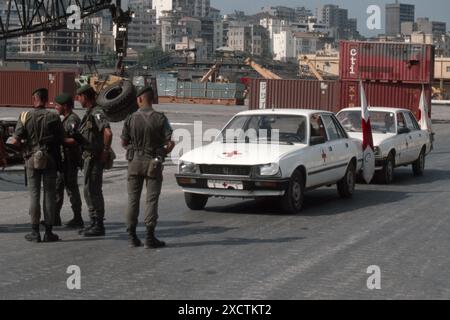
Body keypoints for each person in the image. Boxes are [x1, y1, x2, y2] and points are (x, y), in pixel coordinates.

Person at [121, 86, 175, 248]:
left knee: (132, 199)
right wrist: (164, 151)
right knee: (151, 200)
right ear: (152, 99)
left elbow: (124, 142)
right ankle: (150, 238)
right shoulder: (160, 118)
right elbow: (169, 142)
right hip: (154, 163)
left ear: (139, 99)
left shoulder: (130, 118)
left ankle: (131, 237)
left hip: (134, 162)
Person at [10, 88, 64, 242]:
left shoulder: (25, 116)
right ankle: (48, 232)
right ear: (46, 100)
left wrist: (23, 149)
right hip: (50, 159)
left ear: (34, 99)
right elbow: (62, 139)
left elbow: (15, 141)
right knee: (49, 195)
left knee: (34, 195)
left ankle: (35, 232)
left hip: (31, 159)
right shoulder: (53, 116)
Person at [77, 85, 113, 237]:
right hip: (88, 158)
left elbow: (108, 132)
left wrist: (105, 150)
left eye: (79, 97)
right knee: (88, 190)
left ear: (85, 97)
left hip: (95, 158)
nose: (78, 100)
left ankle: (98, 224)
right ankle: (93, 222)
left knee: (94, 191)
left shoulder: (97, 112)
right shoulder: (89, 113)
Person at [54, 93, 84, 228]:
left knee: (71, 189)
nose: (55, 107)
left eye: (57, 105)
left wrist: (59, 140)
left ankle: (78, 218)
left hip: (70, 160)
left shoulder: (72, 120)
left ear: (65, 106)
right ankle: (54, 217)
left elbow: (76, 140)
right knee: (57, 188)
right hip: (62, 160)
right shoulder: (65, 119)